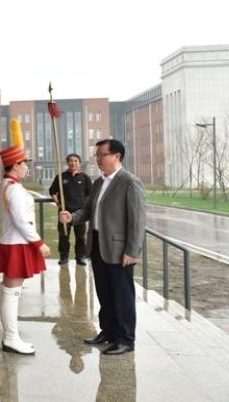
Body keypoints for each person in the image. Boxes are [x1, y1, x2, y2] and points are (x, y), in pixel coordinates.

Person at [59, 139, 146, 355]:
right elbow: (87, 211)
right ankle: (107, 331)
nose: (98, 159)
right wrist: (72, 217)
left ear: (117, 156)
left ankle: (125, 339)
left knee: (122, 295)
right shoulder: (99, 183)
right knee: (104, 293)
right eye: (97, 155)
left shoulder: (129, 182)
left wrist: (132, 251)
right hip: (97, 245)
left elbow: (137, 221)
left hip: (119, 250)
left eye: (102, 155)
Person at [0, 144, 51, 355]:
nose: (27, 167)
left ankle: (10, 336)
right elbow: (21, 220)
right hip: (17, 243)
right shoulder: (13, 187)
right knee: (11, 293)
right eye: (25, 163)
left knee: (9, 291)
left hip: (14, 242)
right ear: (15, 165)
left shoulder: (8, 184)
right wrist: (39, 243)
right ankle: (11, 338)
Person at [49, 153, 92, 265]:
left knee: (80, 237)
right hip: (64, 212)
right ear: (67, 163)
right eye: (71, 161)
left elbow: (90, 194)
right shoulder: (61, 177)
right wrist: (58, 202)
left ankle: (80, 257)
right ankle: (64, 257)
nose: (73, 163)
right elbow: (52, 191)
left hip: (80, 214)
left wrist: (86, 207)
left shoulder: (85, 178)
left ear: (79, 163)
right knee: (63, 236)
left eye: (76, 161)